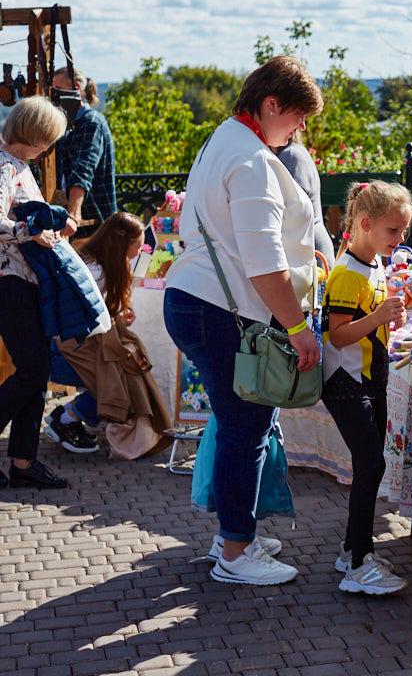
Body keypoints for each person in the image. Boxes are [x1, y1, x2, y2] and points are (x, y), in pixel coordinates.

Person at [163, 56, 323, 586]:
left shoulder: (224, 140)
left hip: (196, 299)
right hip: (221, 310)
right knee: (244, 432)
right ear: (271, 103)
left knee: (237, 429)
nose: (299, 131)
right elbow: (264, 263)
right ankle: (236, 551)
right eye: (297, 118)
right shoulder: (252, 159)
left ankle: (234, 533)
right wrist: (298, 329)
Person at [321, 180, 412, 594]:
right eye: (393, 230)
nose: (401, 238)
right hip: (346, 383)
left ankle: (352, 549)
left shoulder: (373, 264)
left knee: (372, 464)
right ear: (364, 223)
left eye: (404, 231)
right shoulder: (346, 272)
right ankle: (359, 565)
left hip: (371, 379)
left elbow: (366, 321)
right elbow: (337, 335)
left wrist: (389, 317)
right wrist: (379, 317)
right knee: (371, 464)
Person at [55, 212, 172, 460]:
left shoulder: (104, 264)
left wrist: (117, 318)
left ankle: (68, 415)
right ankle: (66, 418)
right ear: (121, 243)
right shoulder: (95, 270)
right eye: (138, 246)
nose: (141, 252)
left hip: (85, 340)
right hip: (71, 345)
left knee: (128, 370)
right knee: (119, 380)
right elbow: (78, 313)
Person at [0, 96, 71, 489]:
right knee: (33, 370)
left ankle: (24, 462)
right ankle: (23, 461)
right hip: (10, 281)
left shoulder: (18, 166)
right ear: (36, 134)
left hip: (23, 281)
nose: (51, 147)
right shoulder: (4, 166)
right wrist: (34, 233)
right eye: (49, 139)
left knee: (37, 370)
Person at [51, 66, 116, 240]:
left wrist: (73, 214)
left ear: (76, 87)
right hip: (69, 218)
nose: (54, 95)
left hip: (94, 219)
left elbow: (83, 169)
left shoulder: (91, 122)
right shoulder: (64, 123)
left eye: (58, 89)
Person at [273, 133, 336, 265]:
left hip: (310, 252)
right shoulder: (295, 151)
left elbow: (291, 211)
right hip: (312, 248)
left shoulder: (291, 156)